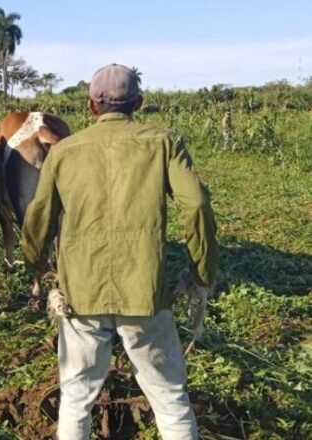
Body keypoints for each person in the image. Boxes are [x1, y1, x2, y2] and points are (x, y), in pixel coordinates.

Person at [21, 63, 219, 440]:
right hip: (144, 291)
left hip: (81, 292)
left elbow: (39, 215)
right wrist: (201, 273)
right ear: (139, 103)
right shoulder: (164, 142)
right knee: (169, 397)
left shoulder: (63, 152)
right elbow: (195, 205)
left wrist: (39, 264)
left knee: (76, 398)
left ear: (91, 107)